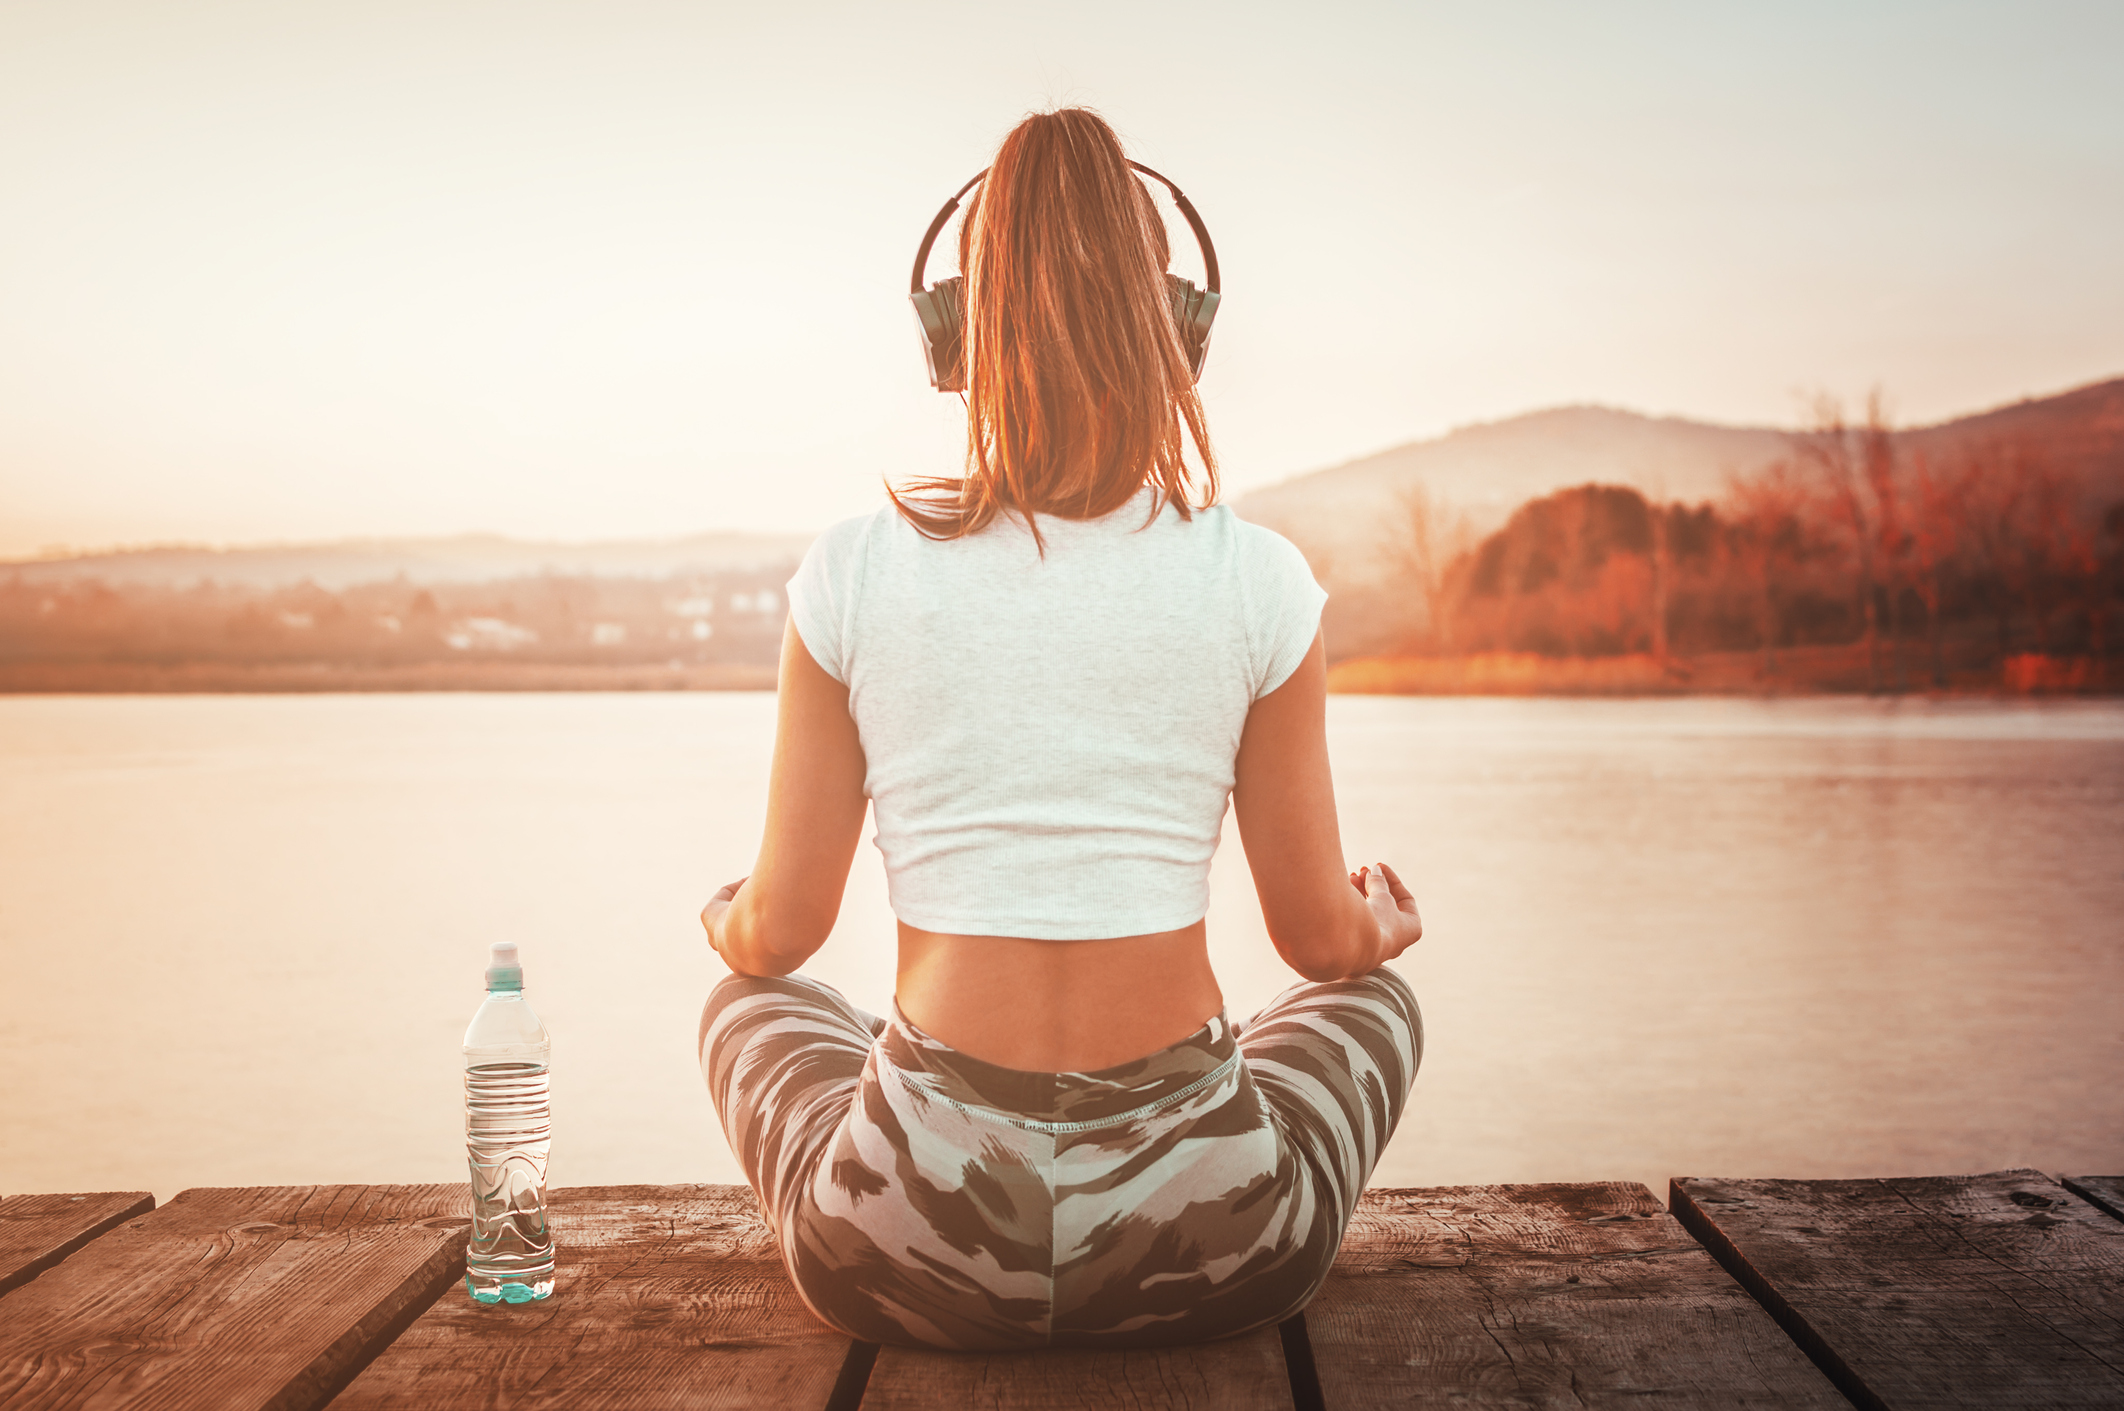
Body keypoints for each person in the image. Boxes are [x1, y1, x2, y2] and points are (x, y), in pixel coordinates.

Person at [697, 108, 1423, 1351]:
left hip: (905, 1250)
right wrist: (1380, 927)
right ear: (1180, 332)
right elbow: (1315, 938)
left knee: (748, 1009)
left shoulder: (853, 576)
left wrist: (730, 917)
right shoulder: (1259, 581)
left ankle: (920, 1107)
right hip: (1210, 1239)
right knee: (1375, 1006)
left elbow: (779, 937)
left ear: (954, 335)